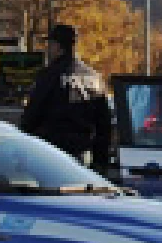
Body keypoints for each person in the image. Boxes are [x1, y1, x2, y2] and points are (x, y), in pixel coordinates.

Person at [19, 23, 113, 170]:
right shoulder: (93, 77)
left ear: (58, 47)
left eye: (50, 44)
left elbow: (32, 115)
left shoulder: (50, 75)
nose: (48, 49)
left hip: (51, 153)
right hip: (82, 154)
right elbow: (104, 124)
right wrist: (101, 161)